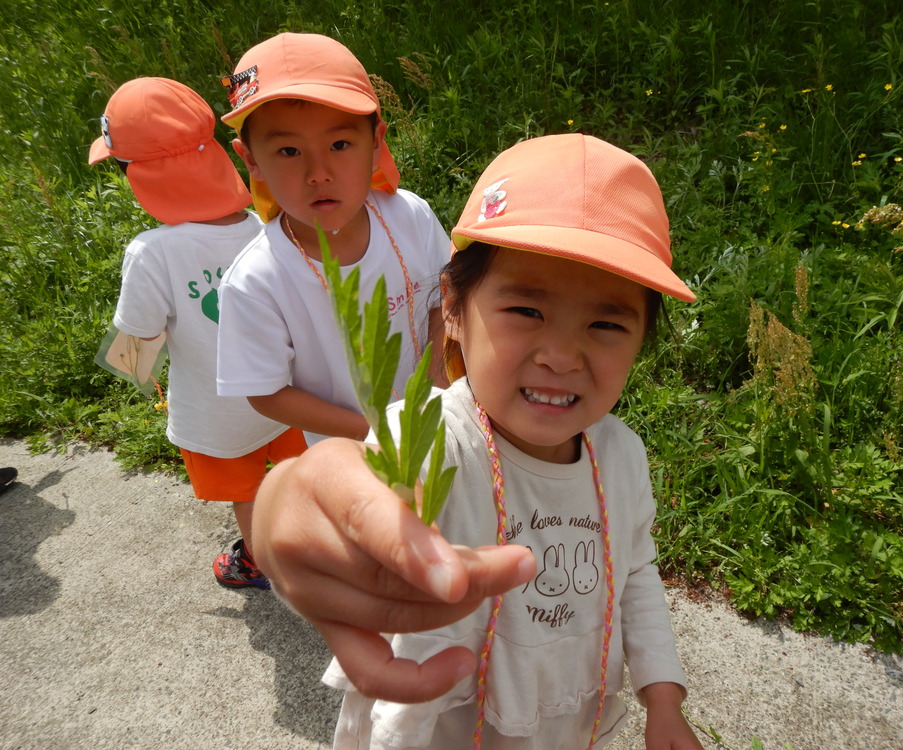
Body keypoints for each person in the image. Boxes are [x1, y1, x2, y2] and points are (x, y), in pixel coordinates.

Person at [256, 134, 704, 749]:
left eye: (605, 323)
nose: (561, 356)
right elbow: (348, 491)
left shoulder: (622, 455)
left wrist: (663, 698)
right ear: (456, 309)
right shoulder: (432, 438)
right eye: (525, 310)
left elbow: (636, 573)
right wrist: (291, 498)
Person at [89, 77, 307, 591]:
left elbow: (137, 340)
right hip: (288, 392)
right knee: (293, 477)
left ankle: (262, 564)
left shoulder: (153, 251)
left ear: (141, 179)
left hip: (216, 411)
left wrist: (139, 377)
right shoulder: (260, 225)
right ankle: (310, 540)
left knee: (248, 492)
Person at [215, 32, 451, 449]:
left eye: (340, 144)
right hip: (347, 453)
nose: (318, 172)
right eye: (289, 151)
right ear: (251, 159)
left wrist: (436, 386)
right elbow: (266, 391)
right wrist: (376, 433)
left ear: (376, 143)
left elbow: (443, 300)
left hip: (441, 421)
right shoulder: (255, 281)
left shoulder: (410, 216)